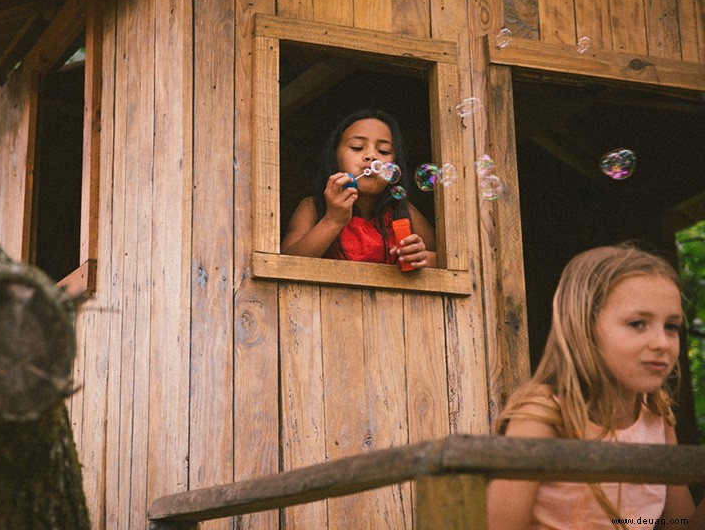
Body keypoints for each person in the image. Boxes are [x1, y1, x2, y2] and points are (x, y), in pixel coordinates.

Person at [486, 244, 702, 530]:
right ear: (584, 327)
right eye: (638, 323)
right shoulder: (544, 416)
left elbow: (679, 525)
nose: (662, 342)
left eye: (671, 326)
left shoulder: (656, 415)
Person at [281, 109, 436, 269]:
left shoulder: (404, 212)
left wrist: (421, 257)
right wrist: (333, 220)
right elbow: (285, 264)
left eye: (383, 151)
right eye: (357, 147)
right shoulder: (312, 207)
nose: (371, 156)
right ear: (335, 157)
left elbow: (447, 261)